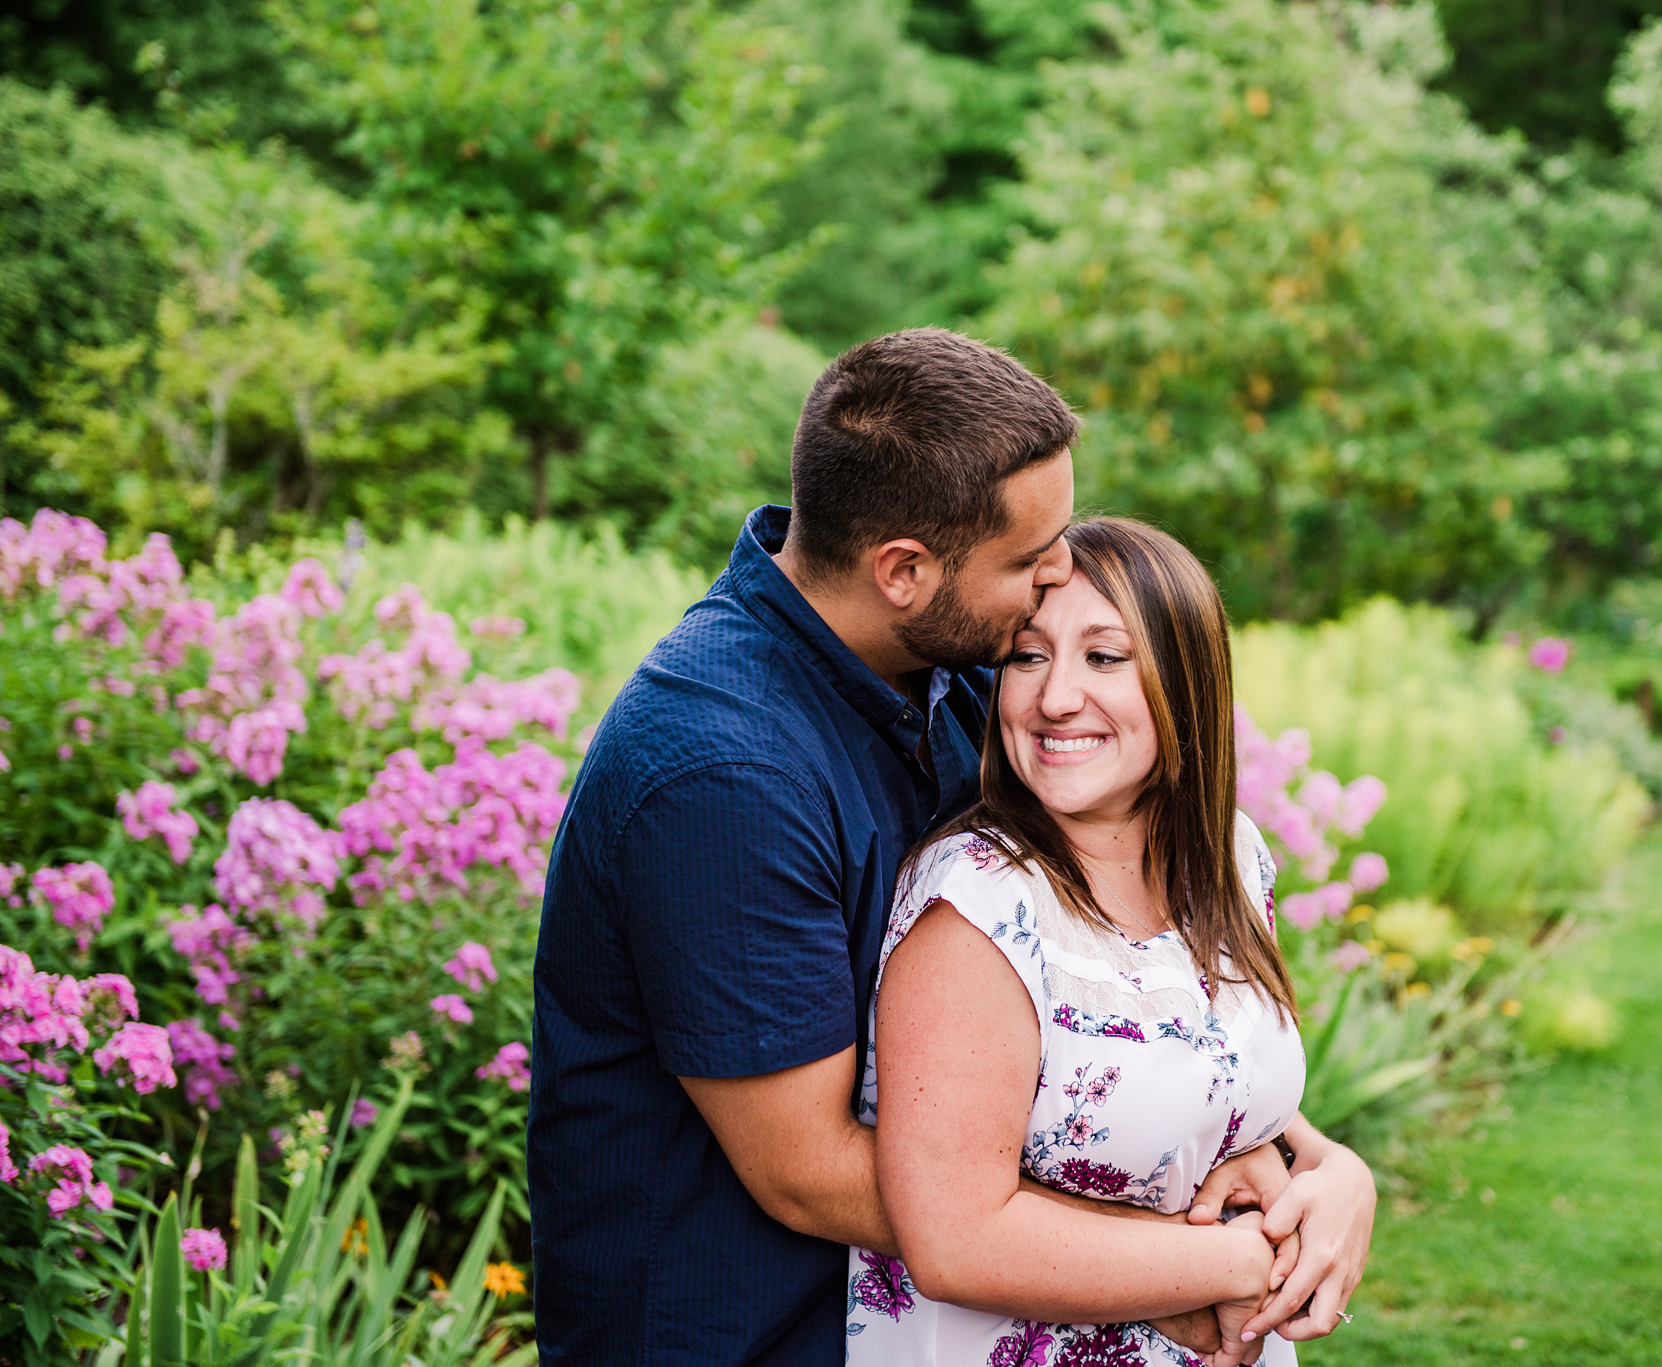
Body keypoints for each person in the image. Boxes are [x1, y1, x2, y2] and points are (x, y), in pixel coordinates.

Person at [528, 329, 1373, 1366]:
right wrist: (1198, 1256)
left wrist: (1310, 1166)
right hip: (738, 1330)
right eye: (1028, 557)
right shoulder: (722, 770)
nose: (1060, 573)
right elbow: (809, 1168)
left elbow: (1120, 1022)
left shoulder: (960, 671)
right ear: (903, 569)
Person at [849, 517, 1371, 1366]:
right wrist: (1238, 1259)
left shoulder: (1231, 861)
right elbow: (955, 1240)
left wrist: (1337, 1171)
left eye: (1104, 656)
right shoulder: (979, 908)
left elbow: (1209, 1079)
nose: (1055, 697)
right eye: (1026, 655)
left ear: (1185, 681)